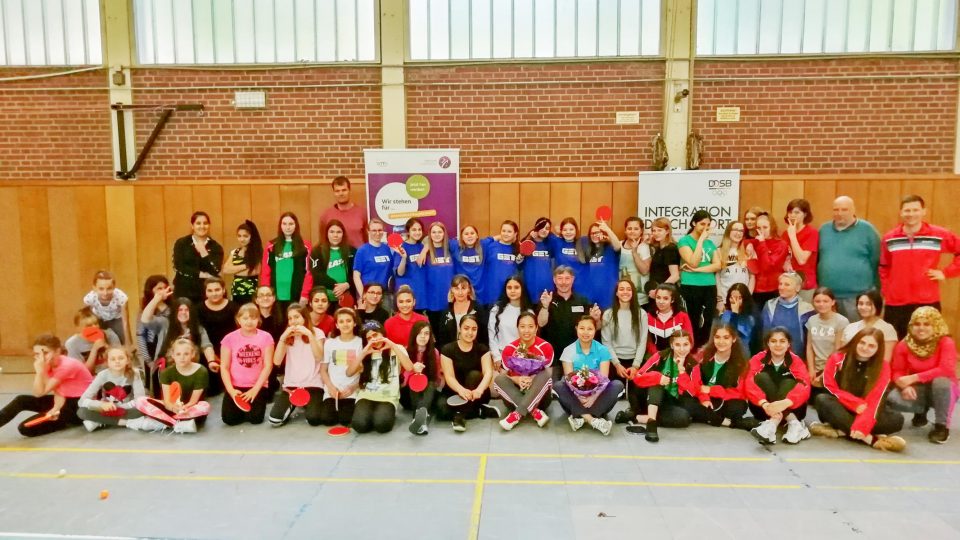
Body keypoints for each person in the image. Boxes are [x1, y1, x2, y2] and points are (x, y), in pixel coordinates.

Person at [809, 328, 906, 452]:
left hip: (867, 409)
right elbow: (829, 386)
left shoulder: (883, 366)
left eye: (871, 346)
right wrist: (854, 403)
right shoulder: (837, 358)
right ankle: (870, 439)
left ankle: (841, 431)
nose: (865, 348)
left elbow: (877, 397)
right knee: (822, 399)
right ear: (855, 342)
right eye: (862, 343)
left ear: (878, 349)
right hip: (842, 407)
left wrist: (863, 423)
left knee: (897, 419)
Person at [879, 194, 960, 338]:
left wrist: (946, 272)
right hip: (896, 303)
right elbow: (884, 267)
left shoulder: (938, 235)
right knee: (895, 343)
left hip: (927, 301)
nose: (911, 214)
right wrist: (887, 290)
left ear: (924, 211)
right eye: (907, 210)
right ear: (901, 212)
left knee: (928, 343)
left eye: (915, 210)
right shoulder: (890, 238)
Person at [886, 307, 958, 444]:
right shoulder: (904, 344)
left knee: (941, 382)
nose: (921, 328)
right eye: (917, 324)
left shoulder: (946, 342)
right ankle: (921, 412)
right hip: (920, 388)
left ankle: (941, 426)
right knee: (893, 398)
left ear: (935, 325)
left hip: (944, 389)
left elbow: (946, 370)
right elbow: (897, 371)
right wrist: (904, 386)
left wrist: (913, 378)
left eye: (927, 324)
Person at [0, 334, 93, 437]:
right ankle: (61, 419)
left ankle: (64, 420)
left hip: (79, 406)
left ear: (57, 351)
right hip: (65, 401)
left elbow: (40, 393)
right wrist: (56, 408)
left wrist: (40, 371)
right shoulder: (49, 364)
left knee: (24, 428)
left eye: (46, 353)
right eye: (37, 354)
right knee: (21, 400)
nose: (42, 358)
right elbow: (57, 392)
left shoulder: (67, 365)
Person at [556, 316, 624, 436]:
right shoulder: (569, 350)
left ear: (595, 330)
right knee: (558, 385)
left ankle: (580, 417)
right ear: (576, 329)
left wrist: (593, 397)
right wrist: (579, 397)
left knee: (617, 385)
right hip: (576, 398)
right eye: (582, 328)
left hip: (597, 398)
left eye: (590, 329)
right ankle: (592, 419)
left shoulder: (602, 350)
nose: (585, 332)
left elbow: (604, 380)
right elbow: (569, 380)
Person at [745, 327, 812, 445]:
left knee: (788, 382)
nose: (778, 345)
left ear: (788, 344)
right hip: (764, 410)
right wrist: (764, 404)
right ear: (768, 343)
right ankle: (794, 423)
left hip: (793, 408)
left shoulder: (795, 361)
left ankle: (775, 425)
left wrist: (786, 402)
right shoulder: (758, 359)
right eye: (773, 341)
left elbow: (805, 385)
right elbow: (748, 383)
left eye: (782, 341)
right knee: (761, 377)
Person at [816, 197, 879, 321]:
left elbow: (876, 260)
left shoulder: (867, 230)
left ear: (853, 210)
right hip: (827, 298)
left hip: (858, 297)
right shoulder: (824, 230)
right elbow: (817, 259)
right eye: (836, 210)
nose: (839, 213)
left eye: (844, 210)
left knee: (857, 331)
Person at [686, 324, 757, 430]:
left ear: (733, 339)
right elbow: (695, 383)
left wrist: (712, 390)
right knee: (687, 400)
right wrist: (704, 398)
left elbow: (740, 393)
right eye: (717, 337)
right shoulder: (702, 355)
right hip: (702, 398)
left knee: (737, 406)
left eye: (726, 338)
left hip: (724, 400)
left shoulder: (741, 363)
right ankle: (725, 421)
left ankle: (704, 416)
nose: (721, 341)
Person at [629, 330, 697, 442]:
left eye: (685, 345)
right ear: (672, 345)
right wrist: (657, 377)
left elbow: (692, 392)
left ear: (690, 346)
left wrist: (681, 372)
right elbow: (638, 377)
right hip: (648, 397)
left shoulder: (693, 365)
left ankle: (637, 417)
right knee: (657, 382)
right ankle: (651, 425)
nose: (682, 349)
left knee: (684, 418)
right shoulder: (660, 356)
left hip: (668, 402)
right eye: (677, 345)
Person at [536, 266, 602, 379]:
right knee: (554, 388)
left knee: (579, 386)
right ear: (554, 280)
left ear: (573, 279)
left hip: (577, 358)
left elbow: (597, 327)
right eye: (560, 278)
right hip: (553, 359)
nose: (563, 282)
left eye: (567, 278)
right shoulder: (547, 300)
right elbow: (541, 323)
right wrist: (545, 306)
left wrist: (596, 320)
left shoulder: (583, 301)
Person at [142, 296, 217, 394]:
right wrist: (157, 298)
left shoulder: (198, 329)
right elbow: (145, 319)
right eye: (180, 310)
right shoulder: (165, 324)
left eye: (187, 310)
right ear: (175, 312)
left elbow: (206, 346)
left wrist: (211, 361)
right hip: (166, 370)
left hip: (190, 371)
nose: (183, 313)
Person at [494, 311, 554, 431]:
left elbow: (549, 375)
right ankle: (534, 412)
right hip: (515, 395)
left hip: (540, 399)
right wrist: (516, 379)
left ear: (536, 328)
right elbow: (504, 375)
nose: (526, 330)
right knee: (499, 379)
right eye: (522, 326)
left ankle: (516, 415)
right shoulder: (509, 349)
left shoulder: (546, 347)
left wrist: (533, 379)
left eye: (530, 326)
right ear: (517, 328)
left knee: (545, 374)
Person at [348, 321, 412, 434]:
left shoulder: (397, 348)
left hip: (388, 397)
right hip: (366, 395)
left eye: (375, 334)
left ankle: (383, 413)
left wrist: (392, 345)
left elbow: (409, 367)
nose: (374, 339)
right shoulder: (365, 352)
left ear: (382, 333)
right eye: (369, 338)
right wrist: (364, 353)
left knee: (382, 425)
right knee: (359, 425)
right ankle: (371, 413)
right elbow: (349, 373)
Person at [268, 303, 325, 427]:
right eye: (290, 318)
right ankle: (295, 402)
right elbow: (276, 361)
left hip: (313, 384)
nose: (293, 321)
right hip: (291, 385)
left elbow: (319, 356)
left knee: (314, 419)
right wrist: (283, 338)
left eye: (297, 317)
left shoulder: (317, 333)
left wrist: (309, 335)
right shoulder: (287, 337)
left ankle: (306, 403)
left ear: (305, 317)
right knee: (274, 420)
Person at [439, 315, 498, 431]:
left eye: (474, 329)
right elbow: (449, 377)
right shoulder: (447, 349)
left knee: (474, 375)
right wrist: (461, 390)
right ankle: (479, 410)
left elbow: (488, 373)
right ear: (460, 329)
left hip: (476, 392)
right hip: (455, 390)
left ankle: (459, 416)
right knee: (441, 410)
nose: (470, 332)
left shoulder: (482, 349)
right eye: (466, 328)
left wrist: (479, 390)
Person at [220, 304, 275, 426]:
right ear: (238, 319)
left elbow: (268, 366)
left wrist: (255, 389)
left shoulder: (266, 337)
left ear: (258, 319)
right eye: (245, 318)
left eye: (253, 318)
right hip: (235, 386)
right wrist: (231, 390)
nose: (249, 322)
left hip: (257, 386)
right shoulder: (229, 339)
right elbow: (224, 367)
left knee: (256, 419)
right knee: (229, 419)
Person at [77, 347, 155, 432]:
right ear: (107, 362)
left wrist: (119, 407)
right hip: (106, 409)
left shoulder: (135, 373)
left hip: (126, 408)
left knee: (142, 409)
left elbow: (140, 400)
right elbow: (81, 401)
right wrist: (101, 404)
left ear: (127, 360)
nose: (117, 361)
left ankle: (101, 421)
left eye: (121, 358)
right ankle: (128, 423)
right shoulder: (102, 375)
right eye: (113, 359)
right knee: (81, 411)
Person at [678, 210, 721, 347]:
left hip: (709, 285)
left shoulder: (710, 243)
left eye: (708, 224)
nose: (705, 227)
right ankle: (692, 349)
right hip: (691, 285)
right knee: (693, 320)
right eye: (702, 224)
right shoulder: (684, 241)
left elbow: (717, 265)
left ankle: (703, 349)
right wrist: (701, 240)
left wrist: (697, 270)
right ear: (693, 223)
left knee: (708, 320)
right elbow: (693, 262)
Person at [601, 279, 648, 402]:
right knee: (615, 397)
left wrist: (636, 366)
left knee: (637, 398)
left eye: (628, 289)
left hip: (635, 361)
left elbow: (642, 342)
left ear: (633, 293)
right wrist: (617, 364)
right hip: (614, 361)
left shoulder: (641, 314)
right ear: (616, 293)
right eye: (621, 289)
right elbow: (606, 343)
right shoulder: (608, 314)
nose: (625, 292)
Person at [155, 338, 212, 432]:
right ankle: (179, 423)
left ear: (192, 354)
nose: (182, 357)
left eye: (186, 354)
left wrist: (184, 408)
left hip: (190, 408)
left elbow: (193, 401)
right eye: (178, 354)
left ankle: (167, 422)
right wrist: (173, 408)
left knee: (204, 406)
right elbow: (167, 401)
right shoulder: (166, 373)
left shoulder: (201, 371)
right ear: (173, 355)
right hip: (173, 408)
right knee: (141, 401)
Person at [318, 308, 363, 427]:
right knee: (327, 420)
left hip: (351, 391)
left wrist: (354, 387)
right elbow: (323, 370)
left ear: (354, 323)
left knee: (346, 420)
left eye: (348, 321)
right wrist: (331, 388)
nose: (345, 324)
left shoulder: (360, 343)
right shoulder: (330, 343)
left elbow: (365, 371)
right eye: (341, 321)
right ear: (337, 325)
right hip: (333, 391)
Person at [260, 212, 313, 308]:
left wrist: (305, 294)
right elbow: (265, 271)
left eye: (291, 224)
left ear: (296, 225)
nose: (287, 227)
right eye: (284, 224)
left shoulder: (305, 246)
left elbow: (309, 272)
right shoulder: (271, 245)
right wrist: (266, 294)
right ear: (280, 226)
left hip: (297, 296)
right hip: (275, 296)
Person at [172, 211, 224, 304]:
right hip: (183, 290)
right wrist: (200, 274)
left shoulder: (216, 247)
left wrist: (204, 253)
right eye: (198, 223)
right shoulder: (182, 243)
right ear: (192, 226)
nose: (202, 226)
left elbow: (215, 270)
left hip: (205, 292)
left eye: (205, 223)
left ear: (209, 225)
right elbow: (178, 266)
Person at [198, 278, 239, 396]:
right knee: (211, 390)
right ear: (205, 292)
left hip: (231, 351)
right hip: (207, 352)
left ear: (223, 290)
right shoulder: (198, 309)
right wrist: (212, 356)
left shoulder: (234, 307)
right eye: (210, 290)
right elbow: (199, 335)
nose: (214, 293)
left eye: (217, 290)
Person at [805, 287, 849, 395]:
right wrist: (811, 369)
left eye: (825, 301)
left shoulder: (841, 321)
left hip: (833, 369)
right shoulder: (812, 320)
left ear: (833, 302)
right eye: (818, 301)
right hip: (816, 368)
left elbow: (838, 351)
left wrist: (824, 374)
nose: (821, 304)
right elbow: (809, 347)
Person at [760, 272, 814, 354]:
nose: (781, 287)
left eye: (787, 284)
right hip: (773, 356)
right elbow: (765, 334)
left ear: (797, 288)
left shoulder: (807, 309)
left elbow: (810, 340)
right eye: (780, 284)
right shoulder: (769, 306)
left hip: (798, 356)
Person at [309, 219, 355, 312]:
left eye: (339, 232)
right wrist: (336, 287)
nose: (335, 235)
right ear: (327, 234)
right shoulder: (317, 251)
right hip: (324, 299)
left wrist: (347, 284)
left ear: (343, 234)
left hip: (345, 298)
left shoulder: (352, 251)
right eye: (332, 232)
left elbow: (356, 273)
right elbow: (317, 274)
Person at [404, 321, 442, 435]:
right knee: (414, 380)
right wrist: (412, 369)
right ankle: (421, 418)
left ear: (430, 336)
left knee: (430, 384)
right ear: (414, 335)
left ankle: (419, 420)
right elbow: (402, 380)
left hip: (428, 393)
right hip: (409, 393)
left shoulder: (434, 352)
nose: (423, 336)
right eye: (420, 333)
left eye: (426, 333)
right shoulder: (406, 352)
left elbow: (437, 378)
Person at [838, 289, 898, 362]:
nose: (863, 307)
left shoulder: (887, 329)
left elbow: (885, 361)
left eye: (868, 304)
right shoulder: (850, 327)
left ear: (877, 305)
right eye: (860, 304)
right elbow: (841, 356)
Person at [421, 221, 457, 330]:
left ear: (444, 233)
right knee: (437, 332)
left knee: (451, 331)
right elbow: (418, 264)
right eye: (434, 232)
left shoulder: (451, 248)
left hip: (451, 299)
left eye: (440, 232)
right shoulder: (426, 252)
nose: (437, 234)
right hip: (433, 301)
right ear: (429, 234)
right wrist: (425, 248)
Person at [488, 276, 531, 366]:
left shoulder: (529, 312)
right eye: (509, 288)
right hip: (501, 357)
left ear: (522, 289)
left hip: (523, 359)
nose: (512, 291)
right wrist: (496, 357)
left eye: (516, 287)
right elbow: (492, 335)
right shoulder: (496, 310)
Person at [353, 219, 393, 312]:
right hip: (368, 294)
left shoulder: (387, 249)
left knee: (385, 319)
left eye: (380, 230)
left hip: (384, 294)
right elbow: (356, 276)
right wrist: (363, 295)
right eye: (374, 230)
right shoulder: (362, 250)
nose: (377, 233)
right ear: (368, 231)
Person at [64, 307, 121, 373]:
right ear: (78, 328)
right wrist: (94, 349)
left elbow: (120, 362)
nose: (95, 327)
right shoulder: (72, 344)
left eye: (96, 323)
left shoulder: (110, 335)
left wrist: (106, 346)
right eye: (89, 325)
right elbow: (82, 372)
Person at [783, 198, 819, 301]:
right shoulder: (785, 234)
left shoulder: (811, 232)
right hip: (789, 282)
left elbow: (802, 260)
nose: (792, 215)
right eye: (790, 212)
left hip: (805, 284)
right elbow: (783, 255)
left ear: (805, 214)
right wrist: (785, 262)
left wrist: (793, 236)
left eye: (797, 212)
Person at [437, 275, 487, 349]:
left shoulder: (478, 309)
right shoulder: (446, 310)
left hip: (475, 351)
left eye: (463, 288)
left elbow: (484, 335)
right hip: (451, 352)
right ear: (452, 290)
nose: (460, 292)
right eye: (457, 288)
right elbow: (442, 337)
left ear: (469, 289)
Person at [479, 220, 521, 307]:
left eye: (509, 231)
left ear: (515, 234)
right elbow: (478, 244)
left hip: (510, 295)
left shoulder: (518, 249)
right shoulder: (491, 246)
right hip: (492, 294)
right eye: (503, 231)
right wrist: (494, 238)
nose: (506, 234)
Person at [751, 212, 789, 308]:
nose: (761, 231)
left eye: (765, 227)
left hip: (773, 289)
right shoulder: (755, 242)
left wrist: (762, 243)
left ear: (772, 227)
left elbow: (768, 265)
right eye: (759, 228)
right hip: (756, 289)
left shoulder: (781, 244)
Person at [222, 220, 263, 305]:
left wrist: (234, 270)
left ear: (251, 237)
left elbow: (255, 271)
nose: (242, 239)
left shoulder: (257, 252)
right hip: (236, 292)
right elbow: (225, 270)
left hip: (251, 292)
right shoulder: (235, 252)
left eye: (245, 236)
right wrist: (247, 265)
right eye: (239, 236)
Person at [319, 175, 367, 248]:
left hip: (358, 254)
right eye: (337, 191)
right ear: (334, 193)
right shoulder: (326, 216)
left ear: (349, 191)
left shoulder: (362, 213)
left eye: (344, 190)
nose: (341, 194)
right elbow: (323, 241)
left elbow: (368, 239)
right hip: (336, 254)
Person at [645, 283, 693, 355]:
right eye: (658, 297)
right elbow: (648, 341)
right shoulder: (648, 316)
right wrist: (657, 355)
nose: (661, 302)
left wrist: (677, 355)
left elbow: (690, 339)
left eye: (665, 298)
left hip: (678, 355)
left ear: (672, 300)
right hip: (656, 356)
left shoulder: (682, 316)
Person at [82, 270, 129, 344]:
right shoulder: (89, 298)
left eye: (109, 288)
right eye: (101, 289)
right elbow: (86, 318)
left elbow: (125, 322)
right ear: (94, 288)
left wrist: (128, 342)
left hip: (116, 318)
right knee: (100, 339)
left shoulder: (121, 297)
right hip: (99, 318)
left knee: (120, 338)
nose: (105, 293)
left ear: (114, 287)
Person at [135, 275, 172, 370]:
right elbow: (140, 334)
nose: (163, 291)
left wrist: (161, 304)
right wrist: (148, 360)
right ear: (151, 290)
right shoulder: (144, 309)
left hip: (168, 348)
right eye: (159, 288)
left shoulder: (171, 306)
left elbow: (170, 320)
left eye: (165, 288)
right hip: (151, 348)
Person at [583, 220, 621, 310]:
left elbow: (618, 246)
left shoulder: (610, 248)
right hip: (592, 294)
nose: (595, 235)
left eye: (597, 232)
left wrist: (607, 230)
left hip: (608, 294)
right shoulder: (588, 251)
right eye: (592, 233)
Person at [716, 221, 754, 310]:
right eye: (735, 230)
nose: (738, 233)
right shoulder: (719, 251)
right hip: (725, 300)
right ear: (728, 231)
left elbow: (752, 276)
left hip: (743, 301)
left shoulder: (748, 251)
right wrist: (720, 300)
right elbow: (717, 277)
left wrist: (748, 296)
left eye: (741, 231)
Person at [393, 218, 428, 310]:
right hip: (407, 295)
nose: (417, 232)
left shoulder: (422, 247)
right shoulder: (401, 247)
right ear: (408, 231)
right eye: (414, 230)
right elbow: (400, 273)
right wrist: (404, 258)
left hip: (421, 293)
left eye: (419, 229)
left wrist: (426, 248)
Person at [549, 218, 589, 295]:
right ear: (561, 231)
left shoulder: (583, 242)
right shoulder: (556, 242)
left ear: (576, 230)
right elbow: (542, 232)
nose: (568, 232)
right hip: (562, 287)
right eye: (565, 230)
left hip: (581, 287)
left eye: (571, 229)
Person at [520, 217, 556, 304]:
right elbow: (518, 264)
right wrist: (529, 237)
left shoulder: (551, 243)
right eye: (541, 227)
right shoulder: (526, 242)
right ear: (536, 228)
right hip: (529, 289)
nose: (544, 230)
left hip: (547, 290)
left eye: (547, 228)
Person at [619, 217, 652, 306]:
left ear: (641, 231)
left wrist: (634, 252)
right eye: (629, 228)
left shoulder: (644, 247)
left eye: (636, 229)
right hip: (622, 297)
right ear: (625, 231)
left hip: (640, 299)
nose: (632, 231)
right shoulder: (619, 245)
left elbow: (644, 271)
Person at [718, 283, 758, 355]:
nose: (734, 301)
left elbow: (733, 334)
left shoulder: (751, 317)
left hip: (742, 353)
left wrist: (735, 313)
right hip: (726, 352)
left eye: (739, 298)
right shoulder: (726, 314)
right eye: (732, 297)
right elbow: (725, 335)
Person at [451, 225, 486, 305]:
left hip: (480, 293)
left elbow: (499, 237)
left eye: (472, 233)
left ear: (477, 236)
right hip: (462, 293)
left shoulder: (484, 245)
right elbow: (436, 239)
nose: (469, 236)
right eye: (466, 234)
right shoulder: (455, 246)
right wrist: (424, 250)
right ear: (462, 237)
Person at [647, 217, 680, 288]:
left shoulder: (670, 248)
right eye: (654, 230)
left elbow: (675, 276)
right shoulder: (659, 248)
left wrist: (659, 289)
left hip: (666, 290)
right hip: (657, 289)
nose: (656, 233)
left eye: (659, 230)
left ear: (667, 231)